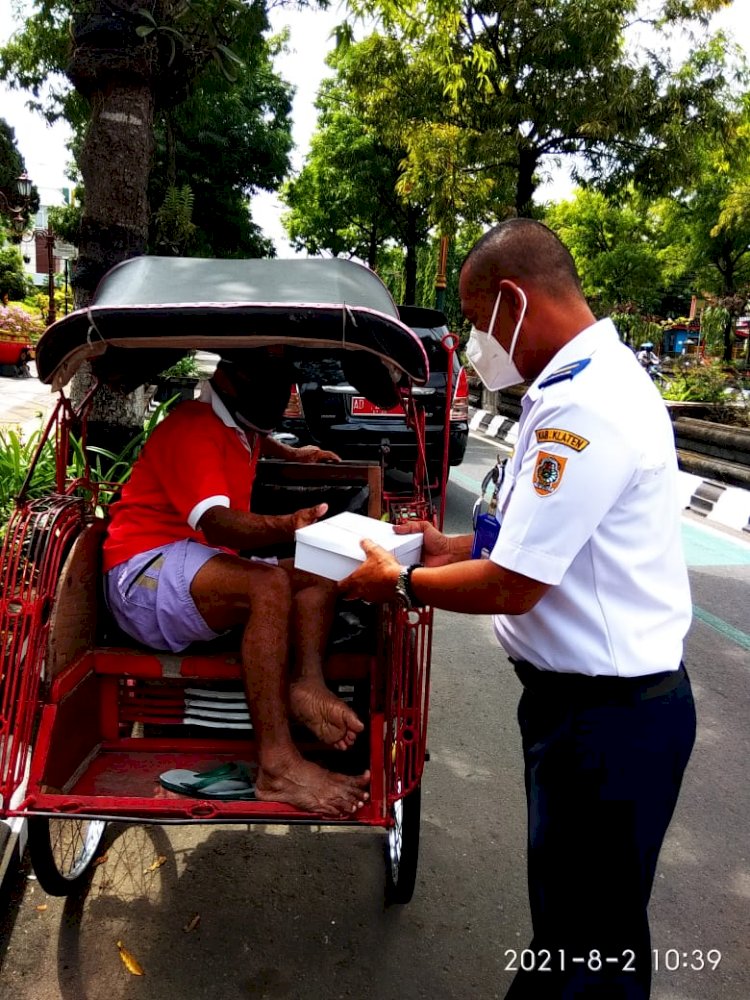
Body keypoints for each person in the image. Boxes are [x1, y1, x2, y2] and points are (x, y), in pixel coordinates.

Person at [340, 218, 696, 998]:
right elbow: (523, 540)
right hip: (593, 716)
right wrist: (444, 548)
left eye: (474, 322)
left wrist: (397, 583)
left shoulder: (585, 409)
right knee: (584, 933)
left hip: (609, 724)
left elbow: (517, 583)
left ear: (510, 301)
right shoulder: (575, 386)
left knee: (585, 949)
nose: (474, 343)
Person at [103, 351, 370, 818]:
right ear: (229, 377)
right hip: (142, 574)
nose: (282, 391)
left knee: (324, 571)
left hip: (192, 569)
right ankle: (278, 767)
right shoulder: (192, 424)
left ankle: (307, 685)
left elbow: (252, 443)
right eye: (273, 380)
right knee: (267, 584)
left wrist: (291, 454)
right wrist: (291, 524)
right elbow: (219, 525)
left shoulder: (239, 427)